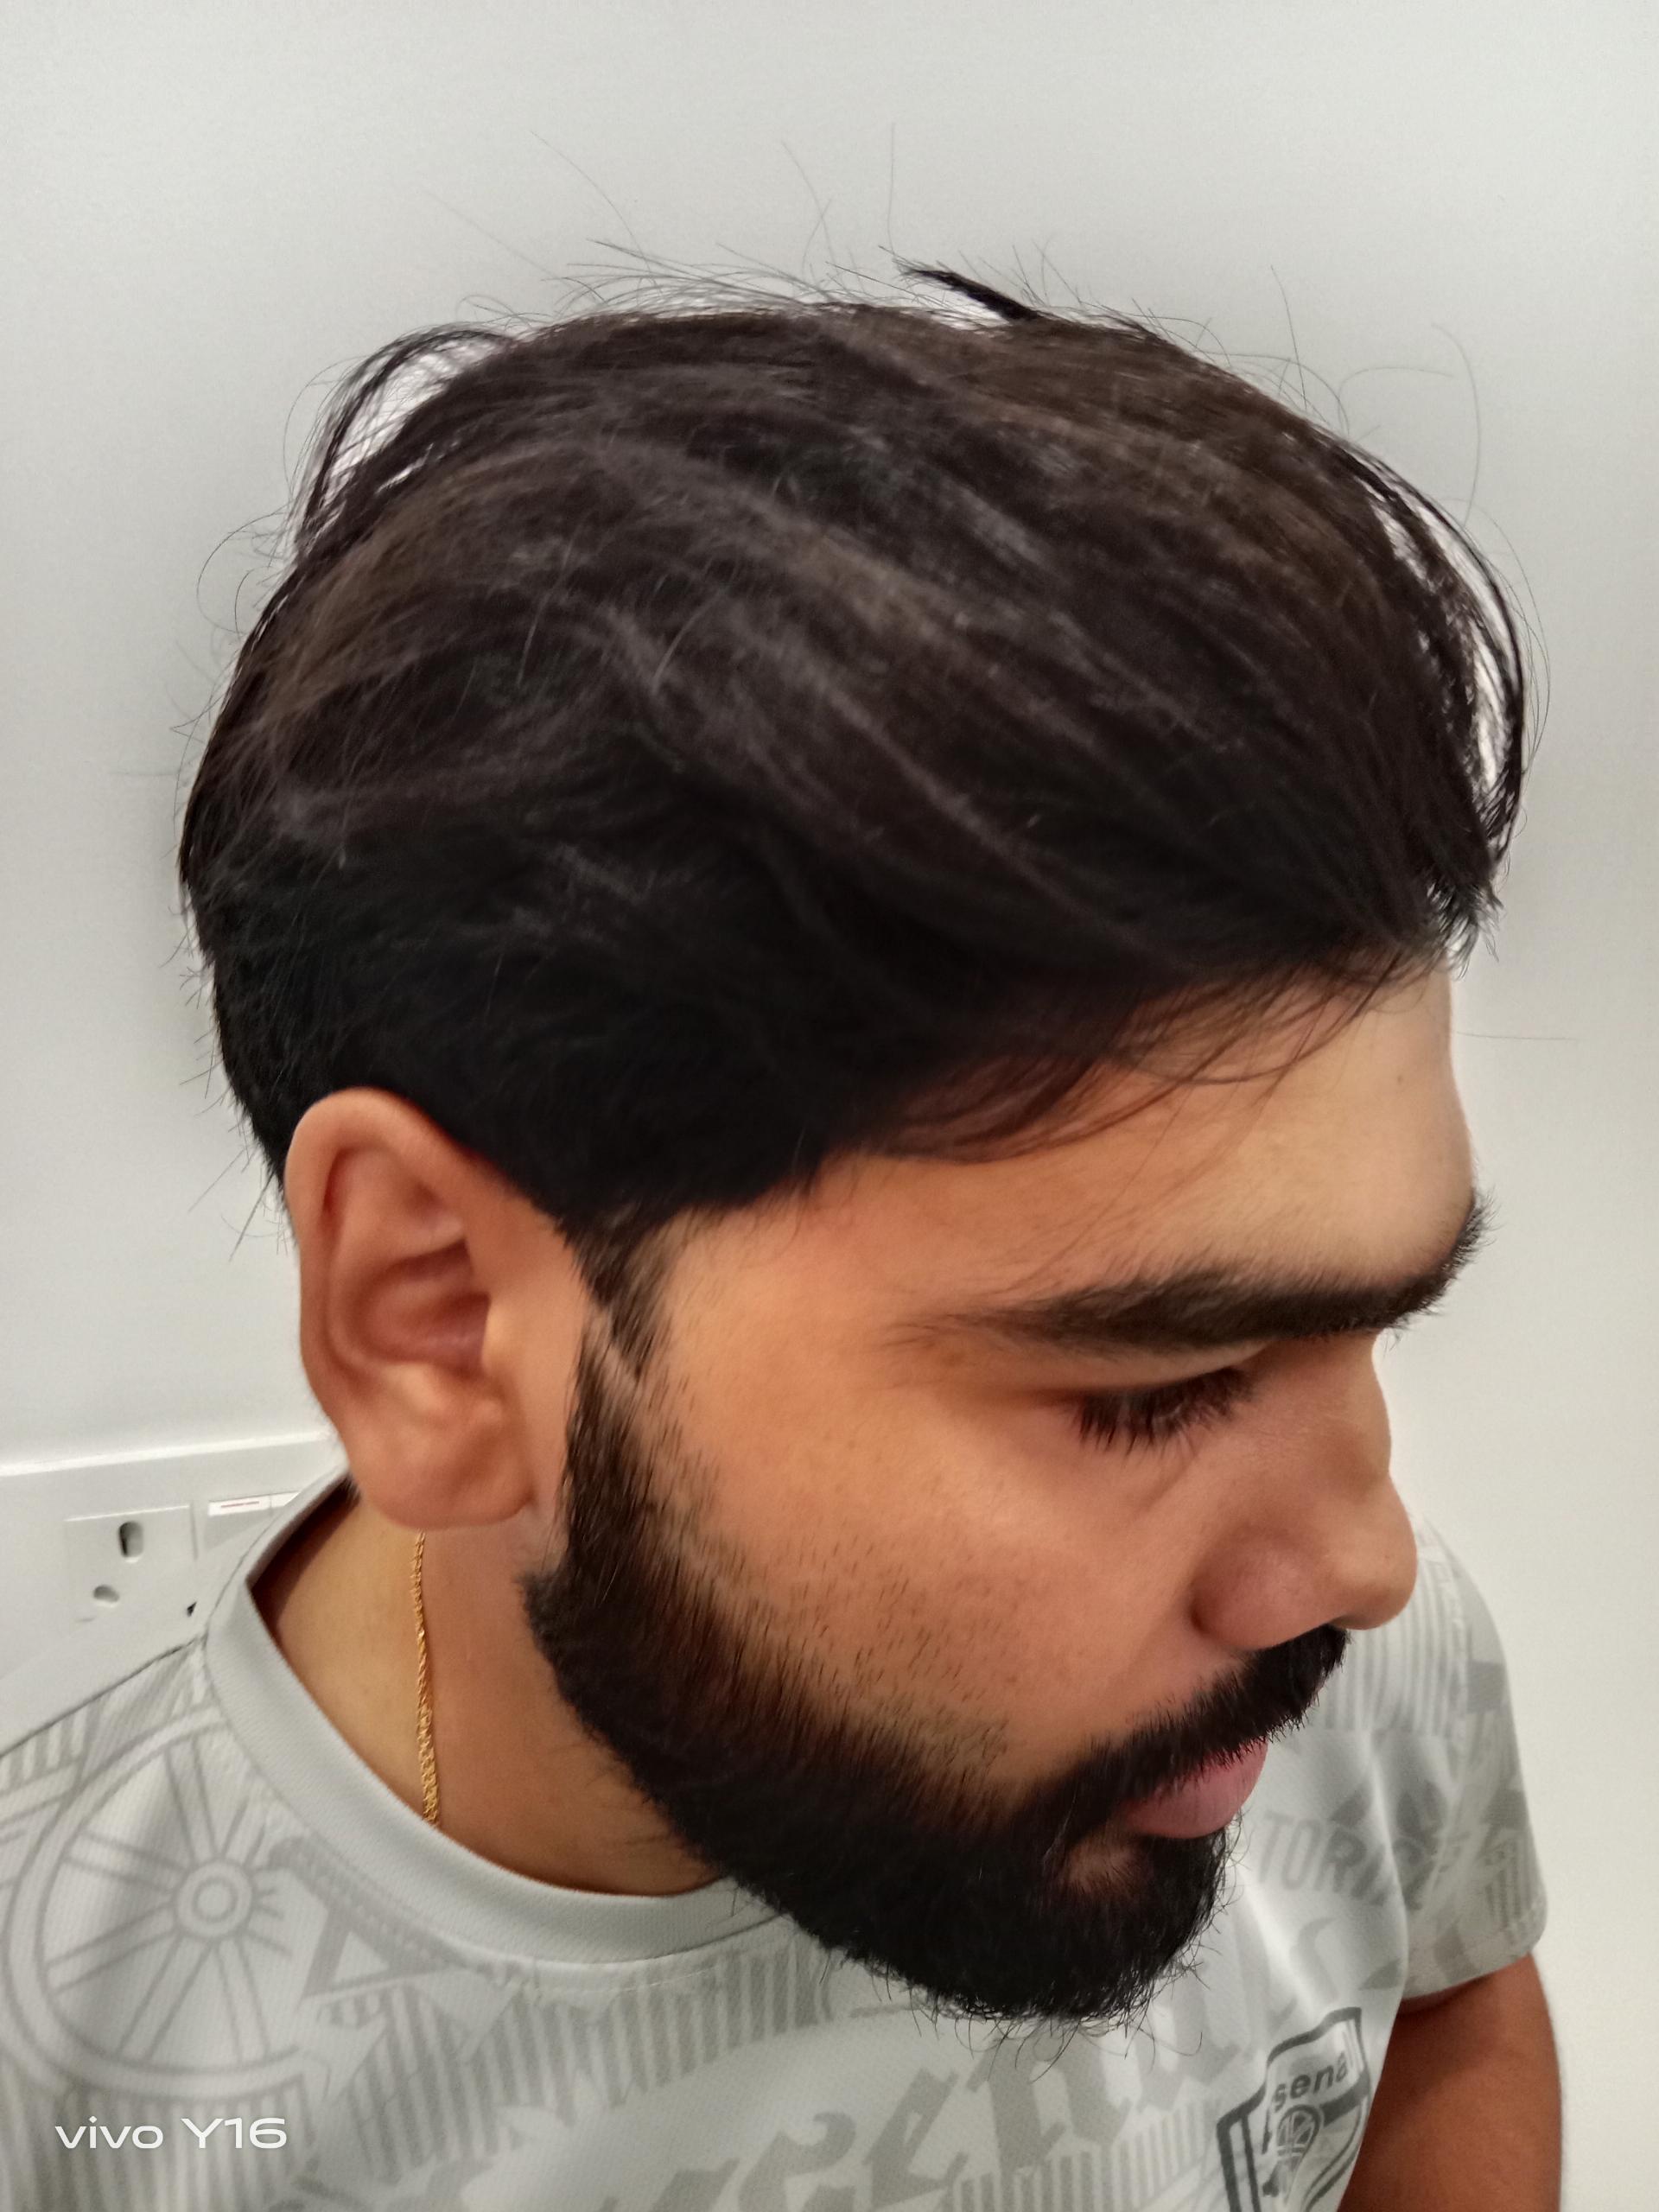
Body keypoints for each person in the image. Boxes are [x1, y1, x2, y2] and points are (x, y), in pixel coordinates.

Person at [0, 264, 1557, 2209]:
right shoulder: (76, 2042)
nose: (1366, 1563)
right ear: (440, 1317)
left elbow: (1448, 2003)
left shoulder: (1331, 1678)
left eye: (1374, 1327)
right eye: (1160, 1390)